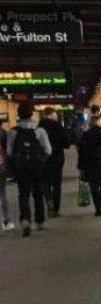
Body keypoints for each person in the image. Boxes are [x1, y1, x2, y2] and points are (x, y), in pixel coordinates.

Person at [6, 102, 52, 237]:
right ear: (32, 114)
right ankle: (39, 221)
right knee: (38, 193)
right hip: (37, 167)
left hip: (21, 168)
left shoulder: (13, 132)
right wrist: (40, 158)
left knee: (24, 194)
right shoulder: (40, 130)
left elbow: (9, 152)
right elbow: (48, 150)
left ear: (18, 114)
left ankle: (25, 220)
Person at [78, 113, 101, 216]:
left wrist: (81, 166)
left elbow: (81, 151)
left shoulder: (85, 135)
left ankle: (97, 208)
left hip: (90, 163)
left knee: (93, 186)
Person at [39, 107, 71, 217]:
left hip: (43, 160)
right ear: (51, 115)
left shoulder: (38, 127)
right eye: (55, 115)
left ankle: (48, 199)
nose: (56, 117)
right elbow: (67, 144)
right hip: (57, 159)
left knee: (45, 182)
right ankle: (55, 210)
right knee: (56, 185)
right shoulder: (58, 126)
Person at [0, 119, 13, 232]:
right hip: (1, 166)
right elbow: (8, 151)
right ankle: (5, 220)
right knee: (2, 193)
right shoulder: (3, 133)